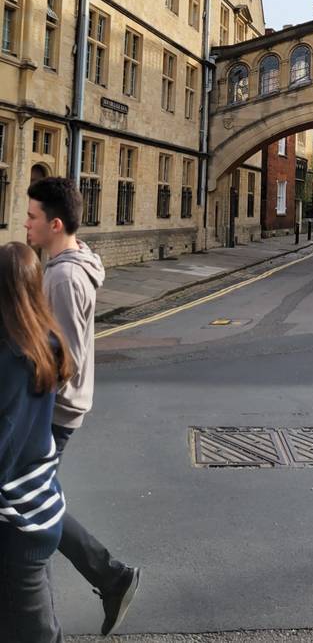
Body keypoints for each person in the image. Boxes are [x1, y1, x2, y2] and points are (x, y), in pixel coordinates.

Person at [26, 177, 141, 637]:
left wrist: (24, 396)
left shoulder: (65, 276)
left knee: (32, 503)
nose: (26, 224)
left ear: (55, 224)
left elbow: (65, 357)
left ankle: (110, 576)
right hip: (56, 409)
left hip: (53, 411)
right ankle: (110, 577)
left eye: (33, 217)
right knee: (30, 501)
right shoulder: (68, 264)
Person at [0, 241, 73, 643]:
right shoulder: (45, 341)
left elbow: (4, 450)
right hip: (43, 505)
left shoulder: (14, 357)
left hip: (21, 522)